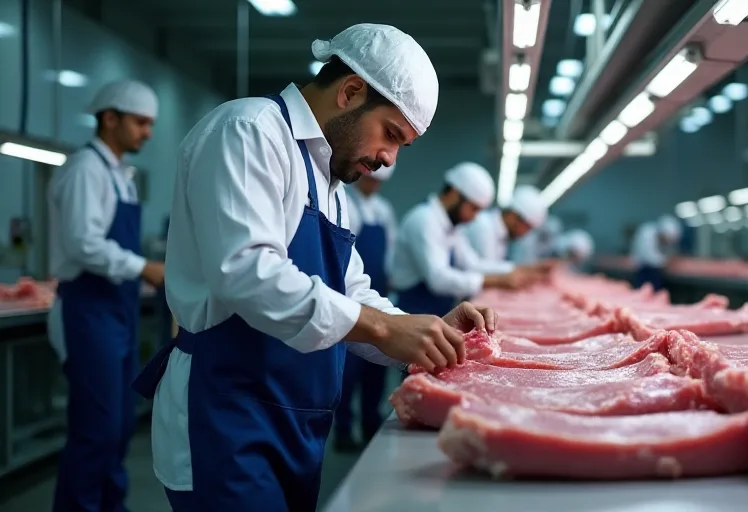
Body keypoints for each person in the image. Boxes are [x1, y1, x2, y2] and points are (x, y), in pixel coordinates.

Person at [130, 24, 495, 511]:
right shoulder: (250, 131)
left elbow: (352, 290)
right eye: (390, 134)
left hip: (297, 419)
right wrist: (383, 328)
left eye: (401, 146)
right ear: (350, 92)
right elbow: (246, 272)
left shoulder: (330, 183)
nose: (387, 159)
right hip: (227, 414)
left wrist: (418, 331)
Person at [46, 79, 165, 512]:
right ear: (109, 118)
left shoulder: (122, 177)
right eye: (140, 122)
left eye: (151, 124)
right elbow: (83, 243)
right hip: (87, 310)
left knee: (116, 426)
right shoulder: (85, 169)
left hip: (118, 312)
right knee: (95, 429)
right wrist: (145, 267)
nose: (147, 132)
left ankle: (110, 506)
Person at [391, 162, 530, 316]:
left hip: (434, 312)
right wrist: (495, 280)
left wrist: (513, 270)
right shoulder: (424, 219)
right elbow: (438, 279)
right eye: (474, 209)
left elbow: (471, 263)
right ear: (455, 194)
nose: (475, 217)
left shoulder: (452, 227)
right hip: (411, 311)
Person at [334, 163, 398, 451]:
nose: (373, 185)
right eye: (370, 180)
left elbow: (391, 250)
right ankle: (344, 430)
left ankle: (371, 424)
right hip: (351, 296)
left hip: (378, 289)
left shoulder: (385, 210)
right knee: (348, 372)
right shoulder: (345, 202)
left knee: (376, 371)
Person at [462, 185, 548, 263]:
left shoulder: (501, 235)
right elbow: (488, 272)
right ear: (513, 215)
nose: (525, 233)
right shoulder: (483, 227)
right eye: (527, 227)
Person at [630, 214, 681, 290]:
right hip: (644, 269)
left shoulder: (660, 237)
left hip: (655, 271)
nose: (665, 242)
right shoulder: (646, 233)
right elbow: (650, 258)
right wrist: (667, 261)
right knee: (644, 291)